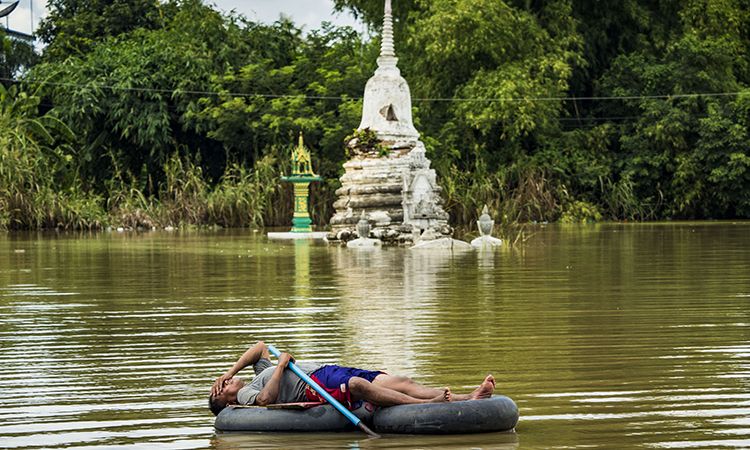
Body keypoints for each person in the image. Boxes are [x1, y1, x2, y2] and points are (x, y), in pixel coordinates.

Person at [209, 341, 496, 416]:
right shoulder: (244, 398)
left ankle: (467, 397)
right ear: (226, 401)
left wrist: (230, 372)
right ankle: (432, 403)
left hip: (329, 369)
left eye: (222, 383)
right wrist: (282, 365)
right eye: (221, 389)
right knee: (359, 387)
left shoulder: (257, 375)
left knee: (400, 379)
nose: (225, 385)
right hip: (315, 385)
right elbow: (266, 400)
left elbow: (259, 347)